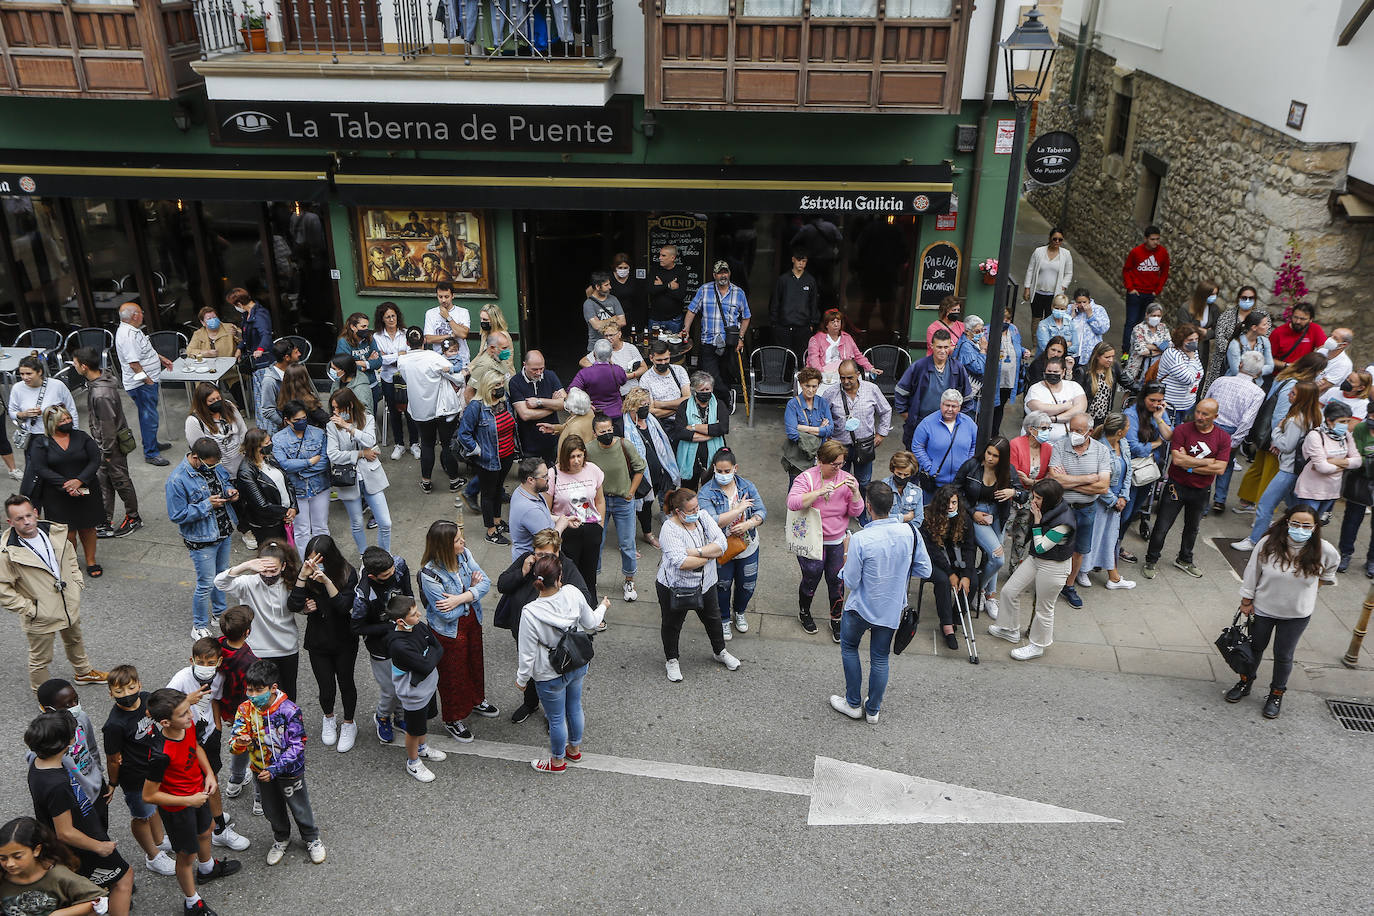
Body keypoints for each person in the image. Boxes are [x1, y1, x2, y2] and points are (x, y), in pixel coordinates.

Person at [829, 482, 932, 724]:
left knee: (849, 648)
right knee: (880, 658)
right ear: (893, 505)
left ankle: (853, 703)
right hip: (891, 608)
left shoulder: (861, 539)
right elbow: (924, 569)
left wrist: (846, 553)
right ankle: (873, 710)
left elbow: (852, 581)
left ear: (868, 506)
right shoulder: (911, 533)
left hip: (861, 608)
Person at [1227, 505, 1337, 718]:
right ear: (1287, 523)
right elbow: (1252, 572)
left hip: (1296, 614)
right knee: (1255, 648)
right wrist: (1246, 600)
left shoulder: (1326, 550)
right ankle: (1245, 682)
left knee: (1284, 655)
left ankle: (1276, 694)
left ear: (1315, 527)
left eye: (1306, 525)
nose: (1300, 529)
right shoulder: (1267, 544)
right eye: (1295, 524)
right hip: (1263, 609)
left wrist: (1309, 591)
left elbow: (1328, 574)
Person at [143, 688, 242, 914]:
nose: (190, 716)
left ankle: (207, 869)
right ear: (166, 722)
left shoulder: (185, 727)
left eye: (188, 710)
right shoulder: (160, 754)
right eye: (183, 714)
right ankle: (192, 903)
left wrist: (208, 774)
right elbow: (149, 795)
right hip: (179, 808)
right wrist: (189, 800)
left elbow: (195, 748)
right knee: (186, 855)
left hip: (197, 795)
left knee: (207, 829)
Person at [23, 711, 134, 915]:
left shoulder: (39, 765)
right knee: (124, 879)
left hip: (80, 837)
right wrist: (99, 847)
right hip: (83, 846)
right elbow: (65, 832)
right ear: (67, 742)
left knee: (87, 893)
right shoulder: (56, 785)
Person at [516, 554, 610, 771]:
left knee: (556, 718)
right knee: (575, 706)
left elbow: (527, 654)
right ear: (559, 578)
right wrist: (603, 606)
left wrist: (522, 679)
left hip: (549, 672)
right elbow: (591, 623)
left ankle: (557, 761)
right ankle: (574, 751)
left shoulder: (530, 612)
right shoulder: (573, 593)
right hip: (577, 663)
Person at [229, 660, 324, 866]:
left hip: (289, 771)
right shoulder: (245, 710)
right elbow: (233, 742)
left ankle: (311, 838)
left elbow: (298, 745)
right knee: (271, 808)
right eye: (250, 690)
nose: (253, 695)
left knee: (299, 806)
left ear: (273, 688)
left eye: (258, 690)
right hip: (260, 771)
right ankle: (281, 838)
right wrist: (239, 742)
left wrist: (275, 768)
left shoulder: (289, 710)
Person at [496, 529, 592, 724]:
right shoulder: (527, 561)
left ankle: (553, 714)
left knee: (554, 679)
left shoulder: (566, 567)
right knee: (529, 669)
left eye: (549, 555)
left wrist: (561, 591)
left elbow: (585, 597)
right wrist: (522, 572)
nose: (543, 559)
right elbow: (502, 584)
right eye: (539, 554)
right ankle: (530, 703)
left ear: (558, 552)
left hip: (554, 643)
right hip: (524, 631)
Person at [163, 641, 251, 854]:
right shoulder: (182, 679)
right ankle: (219, 828)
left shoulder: (219, 677)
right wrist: (187, 700)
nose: (204, 665)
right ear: (191, 660)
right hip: (188, 741)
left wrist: (218, 729)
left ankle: (210, 815)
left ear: (219, 662)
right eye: (200, 662)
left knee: (210, 777)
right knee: (207, 782)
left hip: (209, 736)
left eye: (210, 662)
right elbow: (161, 708)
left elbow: (215, 701)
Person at [417, 520, 497, 744]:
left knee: (474, 664)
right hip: (448, 632)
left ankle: (475, 699)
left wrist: (461, 598)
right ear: (444, 546)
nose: (464, 541)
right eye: (457, 540)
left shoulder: (464, 554)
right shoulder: (429, 574)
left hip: (472, 622)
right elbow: (445, 614)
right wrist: (472, 594)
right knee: (453, 676)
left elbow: (486, 582)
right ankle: (453, 719)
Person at [654, 487, 740, 682]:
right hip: (674, 587)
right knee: (672, 624)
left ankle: (720, 651)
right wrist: (710, 556)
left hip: (706, 583)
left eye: (697, 507)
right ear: (678, 512)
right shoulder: (669, 529)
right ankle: (672, 660)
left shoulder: (702, 516)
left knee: (713, 619)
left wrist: (696, 552)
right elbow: (681, 563)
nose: (696, 512)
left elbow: (722, 544)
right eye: (691, 510)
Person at [987, 478, 1076, 660]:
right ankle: (1009, 629)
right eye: (1034, 496)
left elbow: (1042, 546)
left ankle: (1038, 646)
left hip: (1054, 566)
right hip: (1037, 559)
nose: (1033, 501)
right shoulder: (1048, 506)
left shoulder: (1064, 522)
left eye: (1037, 498)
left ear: (1049, 499)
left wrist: (1036, 522)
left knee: (1044, 608)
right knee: (1009, 591)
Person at [286, 535, 360, 754]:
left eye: (318, 559)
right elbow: (294, 604)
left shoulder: (348, 573)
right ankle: (329, 717)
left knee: (346, 682)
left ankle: (349, 723)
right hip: (318, 639)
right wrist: (302, 577)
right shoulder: (306, 573)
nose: (313, 564)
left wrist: (326, 582)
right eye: (309, 559)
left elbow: (343, 607)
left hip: (344, 638)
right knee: (325, 686)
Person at [1142, 398, 1230, 579]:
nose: (1199, 416)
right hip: (1176, 486)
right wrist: (1207, 462)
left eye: (1205, 414)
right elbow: (1177, 460)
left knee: (1193, 528)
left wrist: (1189, 465)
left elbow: (1220, 468)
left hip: (1201, 490)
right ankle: (1151, 560)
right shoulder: (1182, 430)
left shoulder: (1223, 437)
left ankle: (1184, 559)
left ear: (1215, 416)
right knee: (1162, 526)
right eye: (1198, 411)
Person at [786, 439, 864, 638]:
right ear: (821, 460)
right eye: (834, 464)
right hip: (812, 540)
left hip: (837, 540)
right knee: (811, 578)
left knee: (836, 580)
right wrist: (818, 492)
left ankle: (836, 619)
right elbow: (793, 502)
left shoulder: (847, 480)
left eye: (841, 464)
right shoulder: (806, 478)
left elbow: (856, 511)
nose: (838, 469)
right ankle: (804, 612)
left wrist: (855, 493)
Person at [1233, 381, 1323, 551]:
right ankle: (1292, 542)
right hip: (1301, 470)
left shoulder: (1297, 419)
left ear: (1302, 398)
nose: (1289, 395)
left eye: (1294, 393)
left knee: (1265, 505)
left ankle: (1255, 541)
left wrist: (1277, 431)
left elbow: (1287, 445)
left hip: (1287, 470)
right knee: (1296, 507)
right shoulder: (1316, 416)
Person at [166, 438, 240, 640]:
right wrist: (207, 505)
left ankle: (219, 614)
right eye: (210, 464)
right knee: (206, 583)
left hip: (223, 530)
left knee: (221, 577)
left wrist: (229, 492)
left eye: (216, 464)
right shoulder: (177, 480)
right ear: (196, 458)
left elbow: (222, 482)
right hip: (201, 539)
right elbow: (177, 515)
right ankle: (198, 625)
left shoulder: (213, 466)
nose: (214, 467)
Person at [1235, 353, 1328, 511]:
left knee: (1258, 468)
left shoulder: (1285, 376)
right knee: (1270, 474)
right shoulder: (1295, 384)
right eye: (1321, 370)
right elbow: (1281, 413)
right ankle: (1263, 509)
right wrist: (1276, 439)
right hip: (1275, 434)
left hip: (1265, 432)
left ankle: (1246, 500)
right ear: (1314, 370)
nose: (1322, 374)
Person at [22, 407, 104, 578]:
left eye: (68, 418)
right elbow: (40, 468)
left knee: (88, 528)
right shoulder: (40, 443)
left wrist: (79, 481)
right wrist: (67, 485)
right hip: (56, 494)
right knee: (68, 532)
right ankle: (71, 564)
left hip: (85, 488)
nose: (67, 422)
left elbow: (95, 459)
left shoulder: (81, 437)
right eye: (62, 420)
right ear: (51, 423)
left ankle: (91, 561)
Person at [69, 347, 141, 541]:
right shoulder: (100, 381)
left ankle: (133, 518)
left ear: (84, 367)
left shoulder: (100, 393)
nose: (74, 366)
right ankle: (105, 520)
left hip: (110, 446)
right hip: (105, 445)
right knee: (104, 481)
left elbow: (107, 425)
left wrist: (107, 452)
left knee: (120, 481)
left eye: (75, 363)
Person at [213, 542, 301, 700]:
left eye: (273, 570)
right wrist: (245, 566)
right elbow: (219, 582)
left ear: (283, 566)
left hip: (287, 649)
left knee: (288, 697)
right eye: (264, 570)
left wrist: (306, 607)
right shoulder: (248, 583)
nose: (268, 574)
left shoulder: (290, 583)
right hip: (258, 651)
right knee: (260, 698)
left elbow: (297, 606)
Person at [698, 448, 765, 640]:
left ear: (735, 468)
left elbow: (761, 511)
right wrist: (739, 510)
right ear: (714, 468)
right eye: (720, 471)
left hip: (748, 546)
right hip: (721, 549)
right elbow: (713, 521)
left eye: (727, 471)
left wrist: (749, 523)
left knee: (747, 585)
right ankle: (725, 619)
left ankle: (740, 612)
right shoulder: (706, 492)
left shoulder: (747, 486)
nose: (723, 475)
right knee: (722, 585)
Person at [1049, 412, 1112, 608]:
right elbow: (1055, 480)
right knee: (1055, 545)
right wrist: (1088, 478)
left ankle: (1069, 585)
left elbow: (1103, 487)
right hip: (1062, 509)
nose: (1074, 434)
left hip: (1086, 509)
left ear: (1090, 432)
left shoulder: (1101, 451)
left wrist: (1070, 482)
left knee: (1079, 550)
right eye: (1071, 429)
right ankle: (1051, 585)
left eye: (1079, 431)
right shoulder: (1060, 446)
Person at [384, 595, 449, 782]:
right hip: (414, 695)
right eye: (413, 614)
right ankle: (413, 763)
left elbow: (438, 647)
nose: (419, 614)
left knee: (422, 724)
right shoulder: (399, 645)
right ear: (400, 621)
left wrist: (427, 662)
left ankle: (422, 748)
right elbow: (427, 664)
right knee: (413, 730)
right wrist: (428, 661)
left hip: (426, 688)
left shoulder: (417, 625)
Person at [351, 548, 413, 744]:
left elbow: (408, 594)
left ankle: (400, 716)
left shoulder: (399, 566)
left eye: (393, 570)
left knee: (406, 683)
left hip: (404, 637)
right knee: (390, 689)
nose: (393, 575)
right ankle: (382, 717)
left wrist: (408, 618)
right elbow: (357, 627)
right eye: (387, 575)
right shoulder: (363, 596)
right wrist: (389, 627)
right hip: (380, 646)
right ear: (372, 576)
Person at [583, 412, 647, 601]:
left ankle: (629, 580)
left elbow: (639, 468)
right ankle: (591, 578)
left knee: (627, 544)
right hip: (598, 502)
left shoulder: (624, 445)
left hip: (622, 501)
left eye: (609, 429)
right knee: (596, 542)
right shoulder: (589, 449)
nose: (607, 433)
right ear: (595, 433)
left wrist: (631, 492)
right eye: (602, 431)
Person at [397, 328, 467, 494]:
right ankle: (454, 481)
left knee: (427, 444)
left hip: (420, 411)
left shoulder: (402, 361)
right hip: (444, 410)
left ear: (407, 343)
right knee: (446, 444)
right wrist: (464, 373)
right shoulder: (435, 358)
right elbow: (455, 376)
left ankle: (426, 482)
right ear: (424, 342)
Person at [953, 437, 1017, 617]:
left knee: (994, 557)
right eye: (988, 453)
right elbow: (956, 490)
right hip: (976, 513)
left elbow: (1024, 494)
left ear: (1002, 458)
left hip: (998, 515)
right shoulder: (972, 465)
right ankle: (978, 588)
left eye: (995, 456)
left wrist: (1013, 492)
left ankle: (989, 595)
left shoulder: (1007, 470)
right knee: (998, 558)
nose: (990, 458)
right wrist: (972, 512)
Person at [325, 388, 392, 555]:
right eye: (333, 408)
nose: (335, 412)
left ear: (350, 406)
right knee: (356, 522)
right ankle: (364, 556)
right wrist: (361, 453)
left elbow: (370, 440)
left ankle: (385, 556)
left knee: (385, 522)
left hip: (371, 475)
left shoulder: (367, 418)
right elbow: (333, 455)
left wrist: (348, 427)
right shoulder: (331, 426)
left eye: (338, 408)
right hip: (348, 479)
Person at [454, 374, 518, 545]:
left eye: (502, 383)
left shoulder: (504, 401)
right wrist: (478, 451)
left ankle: (497, 521)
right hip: (488, 460)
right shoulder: (476, 407)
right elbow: (464, 434)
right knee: (488, 494)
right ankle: (490, 531)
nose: (501, 387)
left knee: (498, 490)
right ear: (487, 386)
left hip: (506, 455)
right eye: (497, 384)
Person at [825, 359, 891, 522]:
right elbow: (822, 414)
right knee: (840, 482)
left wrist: (881, 434)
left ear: (858, 375)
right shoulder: (831, 392)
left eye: (849, 378)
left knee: (863, 482)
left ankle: (861, 512)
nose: (846, 382)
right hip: (840, 447)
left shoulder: (871, 389)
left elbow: (886, 410)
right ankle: (842, 513)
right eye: (842, 378)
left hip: (865, 445)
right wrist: (826, 436)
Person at [0, 816, 109, 914]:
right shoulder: (2, 877)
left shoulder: (58, 876)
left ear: (36, 850)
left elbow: (99, 899)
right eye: (3, 858)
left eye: (17, 856)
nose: (10, 864)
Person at [1206, 351, 1268, 513]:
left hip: (1210, 425)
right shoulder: (1257, 392)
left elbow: (1206, 401)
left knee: (1205, 464)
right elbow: (1247, 420)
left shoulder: (1221, 381)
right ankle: (1219, 500)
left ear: (1240, 365)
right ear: (1259, 372)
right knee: (1226, 465)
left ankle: (1203, 505)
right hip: (1231, 431)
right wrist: (1235, 441)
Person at [920, 484, 979, 651]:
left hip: (957, 559)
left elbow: (969, 547)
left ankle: (955, 619)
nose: (951, 507)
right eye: (947, 503)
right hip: (936, 561)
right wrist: (951, 573)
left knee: (973, 582)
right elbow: (932, 551)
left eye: (954, 503)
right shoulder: (928, 518)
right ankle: (946, 625)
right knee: (944, 581)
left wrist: (966, 574)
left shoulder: (964, 518)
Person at [114, 303, 173, 467]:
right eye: (141, 312)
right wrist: (148, 381)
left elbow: (145, 351)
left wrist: (160, 358)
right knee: (149, 418)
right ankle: (151, 453)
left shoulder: (133, 330)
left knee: (150, 416)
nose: (143, 314)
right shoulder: (127, 336)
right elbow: (134, 364)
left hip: (146, 382)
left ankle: (152, 443)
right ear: (134, 316)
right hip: (140, 385)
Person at [549, 435, 606, 602]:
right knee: (569, 574)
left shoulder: (593, 470)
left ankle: (591, 606)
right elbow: (546, 509)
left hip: (591, 528)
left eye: (579, 455)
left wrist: (600, 525)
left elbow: (600, 500)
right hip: (566, 531)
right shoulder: (553, 474)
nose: (576, 461)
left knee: (590, 573)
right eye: (572, 456)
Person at [1082, 413, 1135, 589]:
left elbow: (1128, 471)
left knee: (1110, 537)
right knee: (1094, 535)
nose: (1130, 428)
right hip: (1099, 501)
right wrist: (1113, 500)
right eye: (1128, 426)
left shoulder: (1124, 443)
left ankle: (1113, 576)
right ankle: (1083, 570)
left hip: (1117, 500)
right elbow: (1098, 482)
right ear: (1120, 431)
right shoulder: (1098, 448)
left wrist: (1123, 496)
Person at [623, 387, 679, 550]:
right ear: (633, 406)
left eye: (648, 403)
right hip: (640, 476)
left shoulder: (652, 420)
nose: (646, 408)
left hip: (660, 471)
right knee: (643, 505)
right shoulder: (624, 427)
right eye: (642, 405)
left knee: (664, 495)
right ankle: (642, 535)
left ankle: (662, 522)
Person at [271, 400, 329, 554]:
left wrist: (300, 469)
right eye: (297, 420)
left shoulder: (319, 433)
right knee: (301, 530)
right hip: (296, 491)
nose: (301, 422)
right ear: (287, 421)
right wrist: (309, 462)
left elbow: (324, 462)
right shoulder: (278, 439)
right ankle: (306, 563)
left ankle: (324, 560)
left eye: (304, 418)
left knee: (321, 527)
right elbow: (284, 464)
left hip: (320, 487)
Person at [895, 329, 970, 449]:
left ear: (951, 346)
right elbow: (900, 391)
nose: (943, 351)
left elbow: (967, 397)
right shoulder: (919, 367)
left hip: (946, 424)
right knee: (916, 459)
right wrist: (908, 416)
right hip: (920, 422)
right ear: (932, 346)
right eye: (939, 347)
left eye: (946, 347)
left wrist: (957, 419)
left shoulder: (957, 368)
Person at [213, 611, 259, 804]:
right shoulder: (249, 661)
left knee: (238, 742)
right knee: (253, 745)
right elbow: (248, 691)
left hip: (225, 707)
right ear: (247, 632)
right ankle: (260, 798)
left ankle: (235, 780)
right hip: (244, 710)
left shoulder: (218, 645)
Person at [1291, 400, 1359, 518]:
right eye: (1342, 421)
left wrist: (1332, 461)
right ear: (1329, 420)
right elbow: (1322, 467)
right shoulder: (1316, 435)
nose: (1346, 425)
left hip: (1332, 491)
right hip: (1311, 491)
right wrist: (1344, 465)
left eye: (1348, 421)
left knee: (1317, 525)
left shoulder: (1346, 436)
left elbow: (1357, 461)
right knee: (1306, 523)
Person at [9, 353, 78, 461]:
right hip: (33, 436)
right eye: (21, 374)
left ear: (39, 372)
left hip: (58, 434)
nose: (24, 377)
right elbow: (12, 411)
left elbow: (71, 409)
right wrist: (23, 414)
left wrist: (74, 434)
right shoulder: (17, 388)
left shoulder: (57, 385)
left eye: (28, 373)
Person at [910, 390, 978, 501]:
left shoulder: (969, 423)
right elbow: (917, 446)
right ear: (941, 404)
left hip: (961, 484)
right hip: (935, 484)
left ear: (959, 407)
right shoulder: (927, 423)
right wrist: (929, 467)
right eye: (947, 405)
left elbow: (975, 444)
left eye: (954, 406)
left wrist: (968, 464)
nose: (950, 409)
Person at [234, 430, 297, 549]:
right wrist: (285, 512)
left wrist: (293, 507)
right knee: (273, 557)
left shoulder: (269, 459)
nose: (271, 444)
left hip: (282, 517)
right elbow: (261, 504)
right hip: (267, 525)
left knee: (286, 554)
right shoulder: (246, 472)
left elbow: (287, 482)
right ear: (257, 447)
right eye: (267, 443)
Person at [373, 302, 418, 460]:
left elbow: (410, 355)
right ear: (382, 319)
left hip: (405, 377)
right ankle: (399, 444)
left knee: (410, 410)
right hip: (388, 378)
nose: (391, 319)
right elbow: (380, 360)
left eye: (393, 315)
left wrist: (390, 357)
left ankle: (414, 444)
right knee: (393, 411)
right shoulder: (377, 337)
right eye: (388, 317)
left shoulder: (406, 333)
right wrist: (399, 355)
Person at [1204, 285, 1267, 393]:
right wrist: (1235, 352)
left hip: (1248, 368)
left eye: (1251, 298)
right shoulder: (1226, 316)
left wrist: (1247, 362)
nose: (1247, 301)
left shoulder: (1261, 318)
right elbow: (1220, 339)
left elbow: (1262, 339)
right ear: (1238, 298)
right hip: (1222, 362)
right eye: (1244, 298)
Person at [672, 372, 730, 488]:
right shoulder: (684, 406)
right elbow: (680, 432)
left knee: (713, 491)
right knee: (689, 492)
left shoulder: (719, 405)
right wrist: (711, 432)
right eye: (701, 390)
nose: (705, 392)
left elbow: (723, 428)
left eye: (707, 389)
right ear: (694, 391)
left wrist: (693, 427)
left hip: (714, 458)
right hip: (690, 460)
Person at [509, 349, 566, 464]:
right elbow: (525, 415)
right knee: (531, 476)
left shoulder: (550, 376)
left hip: (551, 437)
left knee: (551, 473)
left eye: (541, 368)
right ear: (525, 365)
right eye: (534, 369)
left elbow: (565, 404)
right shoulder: (515, 382)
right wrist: (552, 405)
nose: (539, 373)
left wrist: (539, 402)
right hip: (529, 441)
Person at [228, 288, 274, 430]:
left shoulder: (259, 315)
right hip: (255, 361)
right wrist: (239, 348)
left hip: (263, 361)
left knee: (265, 398)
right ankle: (264, 427)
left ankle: (269, 428)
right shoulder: (248, 315)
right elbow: (247, 337)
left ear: (240, 304)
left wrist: (260, 350)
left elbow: (266, 335)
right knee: (259, 396)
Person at [1121, 224, 1170, 352]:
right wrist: (1131, 288)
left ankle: (1140, 349)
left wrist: (1157, 290)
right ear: (1145, 239)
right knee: (1131, 323)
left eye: (1157, 239)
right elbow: (1127, 270)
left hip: (1150, 294)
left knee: (1146, 324)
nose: (1155, 242)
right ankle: (1126, 351)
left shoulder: (1163, 253)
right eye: (1152, 239)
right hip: (1135, 294)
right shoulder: (1136, 252)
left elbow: (1165, 272)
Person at [782, 366, 834, 485]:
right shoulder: (793, 404)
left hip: (820, 456)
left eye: (814, 386)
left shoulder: (822, 403)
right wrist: (820, 429)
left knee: (818, 490)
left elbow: (830, 430)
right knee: (796, 490)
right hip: (798, 458)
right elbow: (792, 434)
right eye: (807, 386)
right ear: (801, 384)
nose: (811, 390)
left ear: (818, 386)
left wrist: (802, 428)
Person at [1338, 411, 1374, 575]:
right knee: (1352, 519)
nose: (1371, 421)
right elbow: (1356, 456)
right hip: (1361, 481)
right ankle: (1345, 553)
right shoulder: (1360, 428)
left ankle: (1372, 560)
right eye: (1371, 416)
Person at [1024, 354, 1087, 442]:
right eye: (1049, 371)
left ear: (1063, 372)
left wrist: (1055, 418)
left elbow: (1080, 409)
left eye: (1056, 372)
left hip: (1068, 442)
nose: (1052, 374)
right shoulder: (1035, 389)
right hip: (1041, 441)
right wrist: (1065, 406)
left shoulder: (1074, 386)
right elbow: (1040, 409)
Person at [771, 248, 820, 360]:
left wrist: (812, 324)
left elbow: (814, 303)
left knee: (802, 357)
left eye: (804, 261)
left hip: (803, 327)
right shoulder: (783, 280)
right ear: (793, 260)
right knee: (783, 358)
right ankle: (785, 378)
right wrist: (775, 324)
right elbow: (775, 302)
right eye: (799, 260)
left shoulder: (810, 280)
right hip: (783, 327)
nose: (801, 264)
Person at [187, 305, 243, 401]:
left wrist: (237, 334)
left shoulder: (229, 327)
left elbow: (243, 340)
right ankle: (207, 410)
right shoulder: (198, 334)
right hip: (207, 369)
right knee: (203, 387)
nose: (213, 320)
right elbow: (189, 351)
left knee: (236, 384)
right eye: (209, 318)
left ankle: (241, 407)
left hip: (229, 368)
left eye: (214, 317)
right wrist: (205, 353)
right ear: (203, 322)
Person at [570, 340, 629, 430]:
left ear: (594, 355)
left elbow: (572, 390)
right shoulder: (617, 370)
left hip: (595, 415)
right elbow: (623, 381)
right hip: (616, 414)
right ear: (611, 355)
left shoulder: (585, 373)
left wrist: (585, 403)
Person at [637, 340, 690, 440]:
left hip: (683, 420)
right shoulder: (646, 380)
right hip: (663, 424)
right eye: (659, 360)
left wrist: (660, 404)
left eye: (666, 359)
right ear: (651, 358)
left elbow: (688, 399)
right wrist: (678, 408)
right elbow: (651, 411)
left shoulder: (679, 371)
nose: (663, 363)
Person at [1023, 227, 1074, 320]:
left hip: (1054, 294)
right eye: (1055, 239)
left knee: (1050, 320)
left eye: (1060, 239)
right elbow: (1030, 270)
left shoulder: (1066, 254)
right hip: (1037, 292)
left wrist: (1063, 285)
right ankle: (1035, 335)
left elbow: (1069, 273)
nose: (1057, 241)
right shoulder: (1038, 252)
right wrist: (1027, 288)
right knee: (1036, 319)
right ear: (1050, 238)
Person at [580, 325, 646, 398]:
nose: (608, 338)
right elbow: (583, 361)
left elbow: (644, 367)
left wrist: (630, 375)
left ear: (619, 334)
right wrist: (598, 370)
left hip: (631, 392)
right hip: (610, 394)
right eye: (606, 336)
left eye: (611, 335)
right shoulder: (602, 349)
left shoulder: (630, 348)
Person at [1157, 323, 1204, 425]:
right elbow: (1188, 379)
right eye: (1190, 340)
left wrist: (1192, 359)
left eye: (1196, 339)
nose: (1194, 343)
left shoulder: (1193, 352)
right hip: (1170, 406)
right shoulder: (1172, 354)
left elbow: (1199, 373)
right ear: (1181, 340)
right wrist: (1192, 359)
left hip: (1188, 404)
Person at [808, 309, 877, 377]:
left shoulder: (847, 338)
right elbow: (814, 362)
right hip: (823, 374)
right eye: (832, 322)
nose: (836, 324)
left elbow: (858, 356)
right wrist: (823, 375)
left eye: (838, 321)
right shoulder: (816, 339)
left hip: (844, 374)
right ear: (826, 325)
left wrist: (871, 368)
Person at [335, 312, 381, 411]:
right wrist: (368, 362)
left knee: (371, 417)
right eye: (363, 326)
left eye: (367, 326)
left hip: (372, 385)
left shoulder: (370, 338)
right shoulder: (343, 342)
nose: (366, 329)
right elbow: (344, 366)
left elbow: (379, 362)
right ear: (353, 327)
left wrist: (360, 363)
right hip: (354, 387)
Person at [993, 304, 1027, 434]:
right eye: (1003, 319)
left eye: (1008, 319)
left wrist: (1024, 351)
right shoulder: (988, 330)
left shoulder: (1014, 330)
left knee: (1001, 406)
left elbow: (1017, 346)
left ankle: (994, 433)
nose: (1005, 322)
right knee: (992, 407)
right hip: (995, 378)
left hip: (1009, 378)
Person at [423, 281, 471, 372]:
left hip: (460, 361)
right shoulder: (430, 313)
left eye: (446, 296)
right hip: (439, 361)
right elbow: (428, 339)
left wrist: (448, 317)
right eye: (440, 297)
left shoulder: (463, 312)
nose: (443, 300)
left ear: (453, 296)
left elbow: (463, 334)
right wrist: (452, 335)